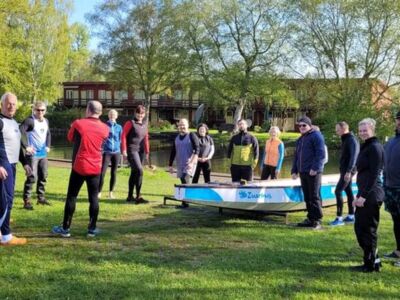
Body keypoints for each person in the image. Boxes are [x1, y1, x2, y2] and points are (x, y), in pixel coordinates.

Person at [52, 101, 109, 238]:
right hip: (96, 167)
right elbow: (103, 142)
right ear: (100, 112)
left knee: (72, 196)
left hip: (80, 165)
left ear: (88, 110)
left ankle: (65, 228)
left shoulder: (78, 123)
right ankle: (92, 229)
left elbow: (70, 137)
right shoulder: (105, 128)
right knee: (93, 198)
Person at [352, 118, 384, 272]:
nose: (362, 133)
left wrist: (363, 196)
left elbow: (374, 175)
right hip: (364, 192)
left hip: (371, 194)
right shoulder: (366, 146)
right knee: (360, 228)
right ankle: (374, 260)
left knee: (367, 229)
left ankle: (370, 265)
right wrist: (358, 195)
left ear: (372, 129)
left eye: (365, 130)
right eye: (360, 130)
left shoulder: (375, 147)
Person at [0, 92, 32, 246]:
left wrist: (25, 163)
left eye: (14, 103)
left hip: (12, 165)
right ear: (2, 104)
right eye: (8, 103)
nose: (11, 106)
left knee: (5, 200)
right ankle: (6, 237)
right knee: (6, 201)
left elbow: (17, 147)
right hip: (3, 166)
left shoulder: (14, 123)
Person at [291, 116, 326, 229]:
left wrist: (315, 168)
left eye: (304, 125)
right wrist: (294, 170)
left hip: (313, 172)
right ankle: (310, 218)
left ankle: (317, 220)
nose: (301, 127)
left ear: (309, 125)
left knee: (314, 196)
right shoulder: (301, 139)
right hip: (303, 171)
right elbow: (296, 156)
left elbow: (320, 154)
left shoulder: (316, 136)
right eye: (299, 125)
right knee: (307, 196)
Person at [20, 101, 51, 209]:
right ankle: (27, 201)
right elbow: (19, 132)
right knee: (32, 177)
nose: (40, 112)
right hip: (32, 155)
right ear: (34, 110)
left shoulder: (46, 120)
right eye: (38, 110)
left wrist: (48, 145)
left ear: (45, 111)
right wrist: (26, 146)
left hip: (43, 154)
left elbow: (48, 133)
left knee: (43, 175)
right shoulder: (29, 121)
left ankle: (41, 198)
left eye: (42, 110)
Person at [330, 121, 359, 226]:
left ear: (343, 128)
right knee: (348, 190)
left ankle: (339, 218)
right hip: (345, 170)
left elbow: (354, 157)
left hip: (348, 170)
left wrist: (348, 172)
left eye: (337, 129)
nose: (336, 131)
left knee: (338, 191)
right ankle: (352, 215)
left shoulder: (351, 140)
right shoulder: (346, 139)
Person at [121, 105, 150, 204]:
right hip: (132, 150)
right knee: (140, 170)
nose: (140, 115)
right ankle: (138, 196)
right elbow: (123, 136)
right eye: (138, 113)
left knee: (134, 172)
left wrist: (147, 152)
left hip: (140, 151)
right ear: (135, 113)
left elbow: (146, 139)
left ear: (144, 114)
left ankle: (130, 196)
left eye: (142, 113)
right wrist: (124, 151)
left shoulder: (145, 125)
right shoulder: (130, 123)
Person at [168, 118, 199, 208]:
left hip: (190, 163)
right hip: (180, 163)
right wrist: (170, 165)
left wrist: (192, 162)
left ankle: (186, 203)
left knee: (186, 180)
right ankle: (185, 202)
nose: (182, 126)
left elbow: (197, 149)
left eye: (184, 125)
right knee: (182, 181)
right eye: (180, 125)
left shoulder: (192, 135)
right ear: (178, 126)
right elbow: (173, 151)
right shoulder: (176, 138)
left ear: (187, 125)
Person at [383, 111, 400, 267]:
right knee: (396, 220)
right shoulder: (391, 142)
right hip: (390, 188)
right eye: (398, 119)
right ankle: (398, 251)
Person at [99, 109, 122, 199]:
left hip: (116, 152)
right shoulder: (104, 126)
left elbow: (120, 139)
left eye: (114, 114)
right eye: (111, 114)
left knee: (114, 173)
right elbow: (101, 138)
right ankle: (99, 192)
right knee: (102, 172)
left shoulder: (119, 127)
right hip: (106, 152)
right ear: (108, 116)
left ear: (116, 116)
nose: (112, 116)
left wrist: (119, 148)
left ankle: (111, 193)